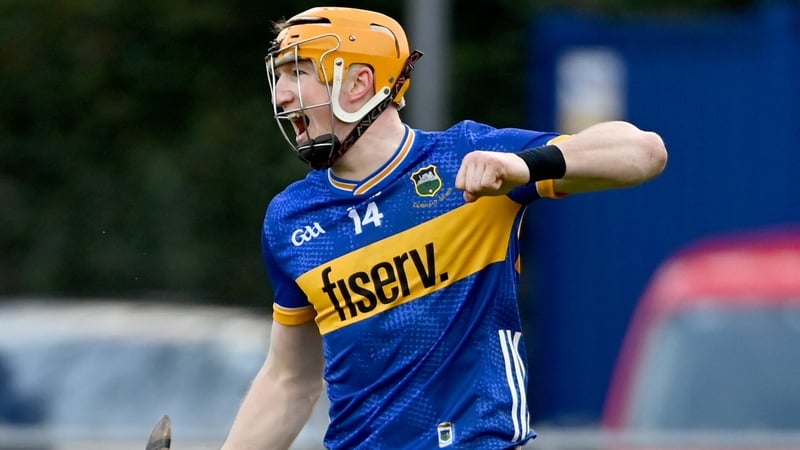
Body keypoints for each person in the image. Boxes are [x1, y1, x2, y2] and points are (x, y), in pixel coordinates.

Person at [222, 6, 667, 450]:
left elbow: (643, 152)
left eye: (298, 72)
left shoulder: (466, 156)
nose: (281, 95)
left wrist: (521, 166)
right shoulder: (291, 218)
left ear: (358, 83)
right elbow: (288, 381)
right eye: (279, 77)